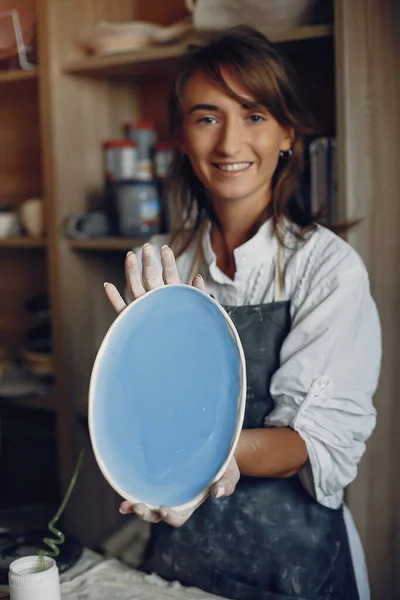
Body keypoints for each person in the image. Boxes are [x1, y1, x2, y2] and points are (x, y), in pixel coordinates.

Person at [104, 26, 381, 600]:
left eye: (254, 116)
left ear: (288, 133)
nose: (230, 143)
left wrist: (216, 461)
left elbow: (313, 439)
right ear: (181, 136)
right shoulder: (165, 261)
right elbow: (147, 415)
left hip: (296, 563)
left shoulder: (327, 268)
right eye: (207, 117)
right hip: (178, 553)